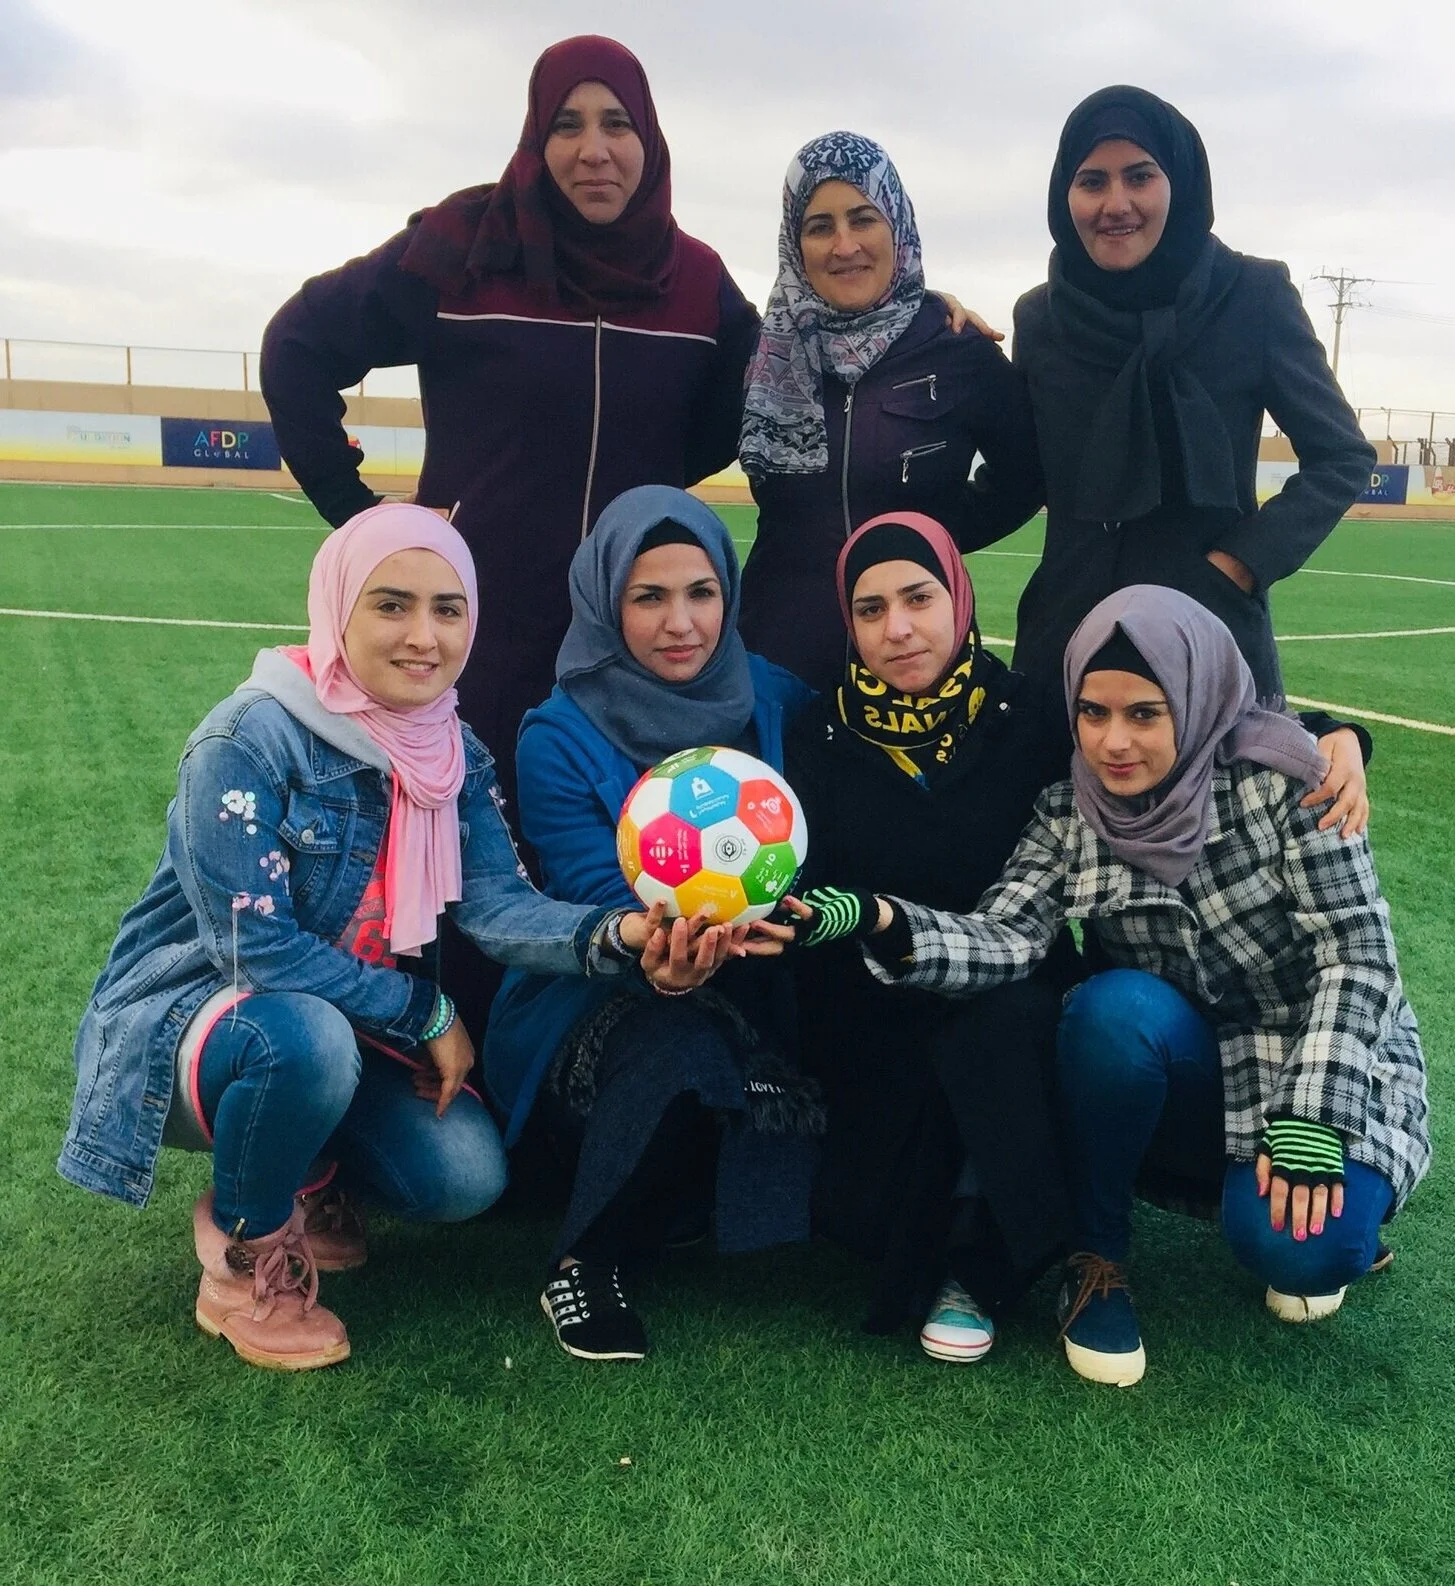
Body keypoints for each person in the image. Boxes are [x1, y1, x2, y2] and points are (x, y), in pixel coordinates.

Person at [57, 503, 701, 1371]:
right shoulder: (248, 739)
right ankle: (245, 1256)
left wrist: (626, 931)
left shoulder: (452, 751)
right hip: (193, 1027)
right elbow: (258, 951)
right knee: (305, 1035)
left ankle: (309, 1176)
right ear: (338, 610)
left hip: (350, 1032)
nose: (423, 637)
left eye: (448, 609)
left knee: (463, 1179)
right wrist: (425, 1009)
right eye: (390, 605)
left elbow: (498, 907)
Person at [801, 585, 1429, 1388]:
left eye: (1144, 713)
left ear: (1196, 700)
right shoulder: (1071, 812)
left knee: (1305, 1253)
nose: (1113, 743)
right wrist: (881, 920)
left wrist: (1313, 1114)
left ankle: (1342, 1209)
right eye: (1093, 714)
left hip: (1310, 1052)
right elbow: (1008, 936)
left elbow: (1357, 955)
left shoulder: (1293, 784)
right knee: (1110, 1010)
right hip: (1180, 1057)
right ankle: (1098, 1255)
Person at [260, 35, 759, 813]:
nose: (594, 150)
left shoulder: (697, 282)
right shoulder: (465, 249)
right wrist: (358, 515)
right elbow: (297, 345)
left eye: (617, 124)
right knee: (470, 888)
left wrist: (914, 305)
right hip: (475, 640)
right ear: (535, 137)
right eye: (567, 124)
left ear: (650, 139)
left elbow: (761, 388)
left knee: (615, 883)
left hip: (635, 655)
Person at [483, 485, 815, 1364]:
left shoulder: (776, 698)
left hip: (756, 978)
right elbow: (592, 894)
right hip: (597, 994)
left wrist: (793, 923)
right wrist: (659, 956)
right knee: (679, 1046)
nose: (681, 623)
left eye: (701, 592)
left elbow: (824, 853)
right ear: (605, 600)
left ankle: (684, 1200)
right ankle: (585, 1260)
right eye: (648, 596)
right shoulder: (557, 732)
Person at [782, 512, 1078, 1361]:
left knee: (998, 1032)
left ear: (960, 594)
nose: (897, 628)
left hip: (1009, 988)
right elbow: (799, 875)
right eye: (870, 610)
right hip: (872, 989)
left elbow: (1181, 735)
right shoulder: (820, 728)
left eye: (918, 597)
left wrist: (1330, 736)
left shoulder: (1032, 718)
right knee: (858, 1218)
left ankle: (979, 1266)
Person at [1009, 86, 1378, 704]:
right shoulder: (1042, 317)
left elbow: (1342, 455)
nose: (1115, 203)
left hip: (1209, 634)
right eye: (1092, 181)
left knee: (1218, 804)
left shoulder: (1251, 296)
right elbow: (1020, 476)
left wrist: (1240, 564)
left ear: (1178, 182)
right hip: (1065, 643)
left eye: (1140, 176)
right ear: (1062, 194)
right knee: (1047, 803)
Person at [738, 132, 1045, 689]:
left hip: (919, 668)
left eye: (863, 218)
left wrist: (934, 536)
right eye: (820, 226)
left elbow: (1026, 477)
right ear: (794, 240)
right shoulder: (766, 351)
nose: (844, 244)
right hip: (776, 665)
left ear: (897, 227)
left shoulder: (956, 347)